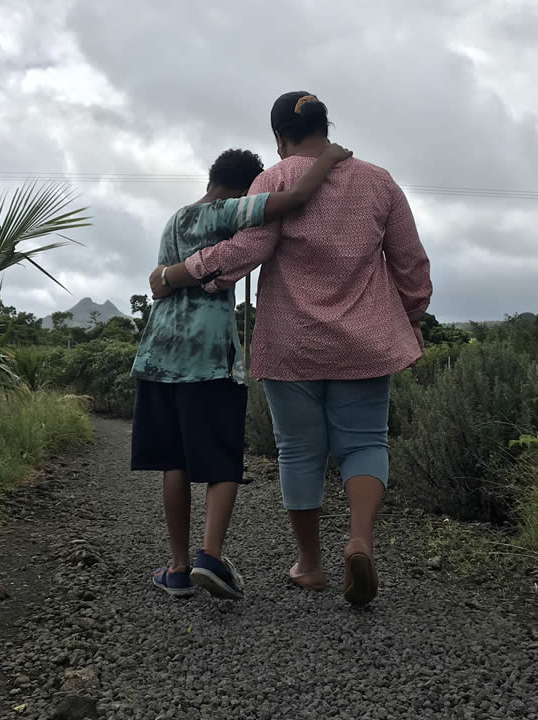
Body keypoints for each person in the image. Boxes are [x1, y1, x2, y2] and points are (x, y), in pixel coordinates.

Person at [150, 92, 432, 607]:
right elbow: (411, 262)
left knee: (299, 450)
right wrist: (410, 319)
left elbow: (249, 250)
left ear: (280, 138)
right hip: (366, 341)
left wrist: (184, 274)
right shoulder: (379, 180)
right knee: (366, 442)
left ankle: (310, 564)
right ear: (327, 126)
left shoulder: (274, 180)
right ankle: (360, 540)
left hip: (291, 341)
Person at [133, 143, 353, 600]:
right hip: (207, 358)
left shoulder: (175, 218)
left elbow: (161, 280)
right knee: (221, 461)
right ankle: (209, 558)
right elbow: (292, 201)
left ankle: (176, 569)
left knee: (173, 462)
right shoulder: (224, 213)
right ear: (242, 189)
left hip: (158, 355)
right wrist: (328, 161)